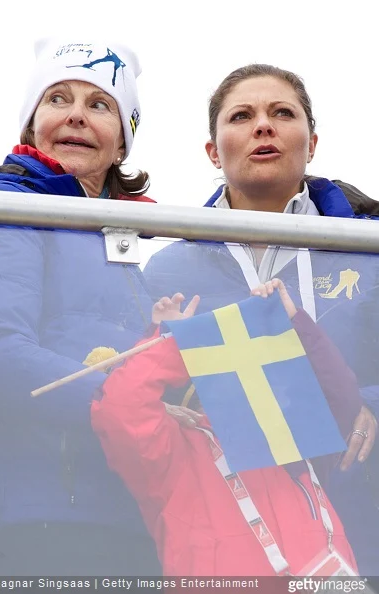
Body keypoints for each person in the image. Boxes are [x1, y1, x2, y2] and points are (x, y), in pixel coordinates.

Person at [141, 64, 379, 575]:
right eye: (242, 116)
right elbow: (153, 386)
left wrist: (371, 403)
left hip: (361, 499)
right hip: (234, 530)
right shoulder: (168, 266)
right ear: (213, 150)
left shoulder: (370, 249)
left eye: (282, 113)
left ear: (312, 143)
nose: (263, 126)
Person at [0, 37, 161, 575]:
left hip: (133, 516)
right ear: (30, 127)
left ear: (122, 143)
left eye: (100, 105)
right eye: (58, 99)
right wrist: (134, 402)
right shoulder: (8, 208)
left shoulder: (136, 239)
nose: (77, 116)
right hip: (40, 519)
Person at [92, 279, 362, 576]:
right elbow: (122, 408)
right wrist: (170, 341)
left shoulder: (293, 436)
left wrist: (294, 323)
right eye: (213, 378)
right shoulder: (173, 458)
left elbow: (342, 397)